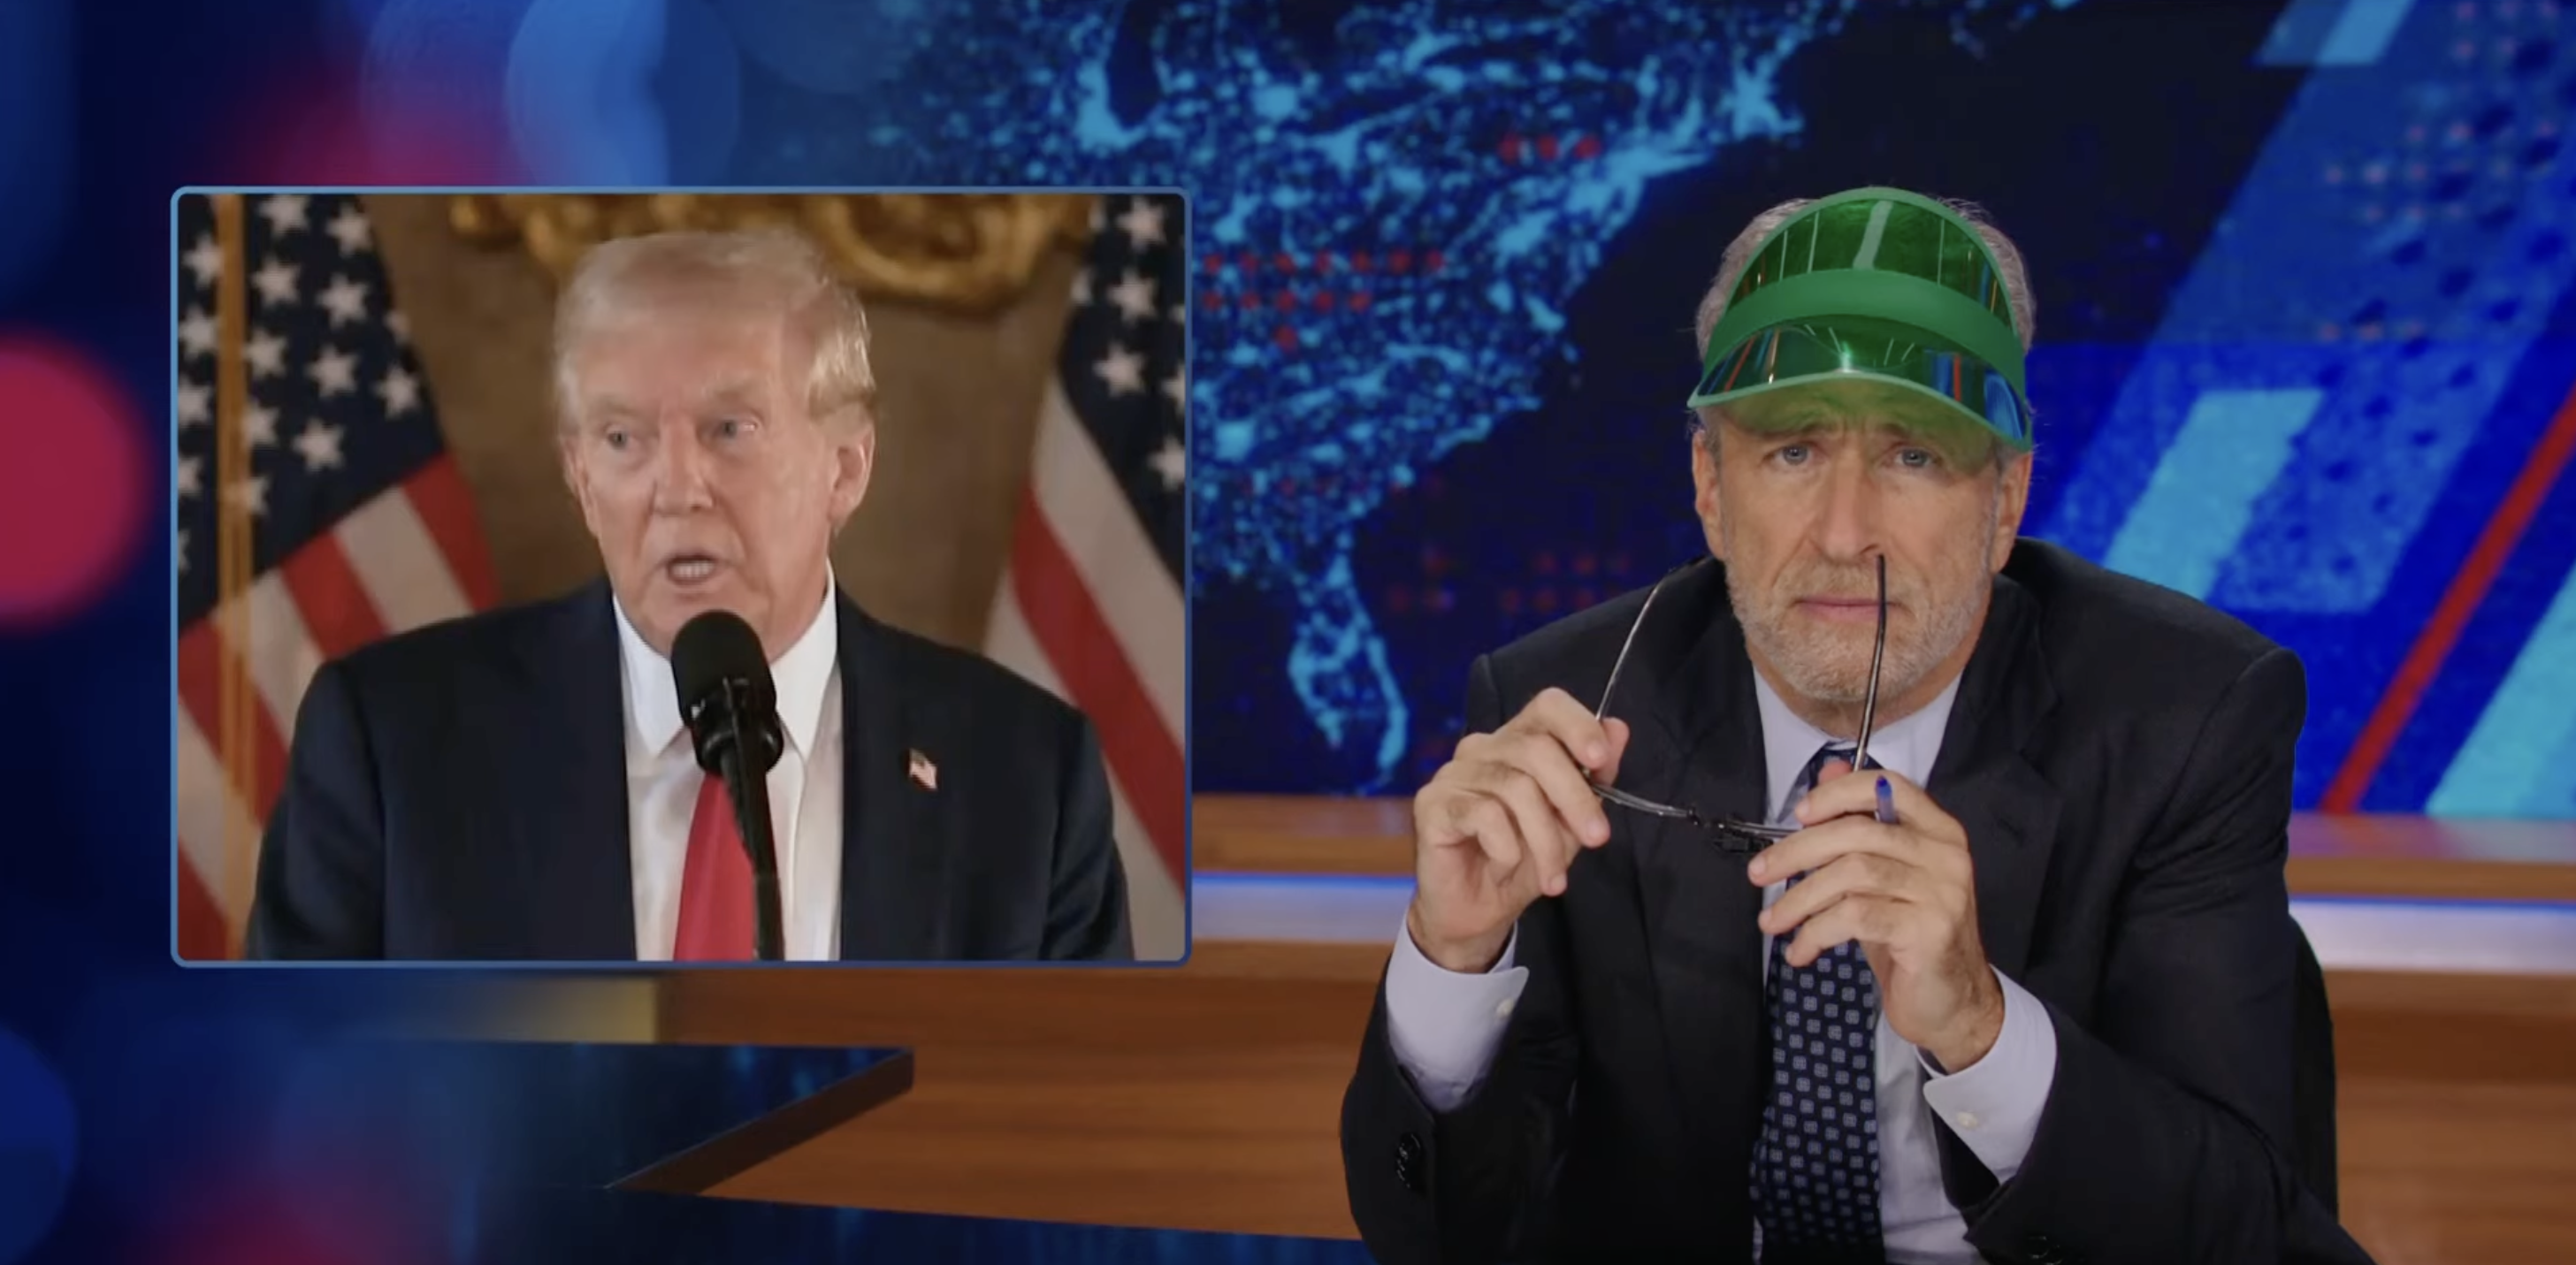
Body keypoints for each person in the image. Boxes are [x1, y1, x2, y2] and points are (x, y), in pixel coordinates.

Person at [1339, 187, 2373, 1263]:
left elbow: (2255, 1236)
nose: (1844, 535)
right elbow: (1438, 1241)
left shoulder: (2186, 718)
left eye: (1913, 455)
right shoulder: (1568, 710)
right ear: (1709, 484)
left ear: (2008, 498)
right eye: (1791, 450)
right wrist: (1453, 962)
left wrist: (1978, 1027)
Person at [247, 228, 1131, 963]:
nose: (677, 487)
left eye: (729, 430)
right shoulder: (391, 746)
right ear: (582, 479)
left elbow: (1078, 1137)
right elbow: (286, 1100)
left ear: (847, 468)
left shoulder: (1027, 778)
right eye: (624, 437)